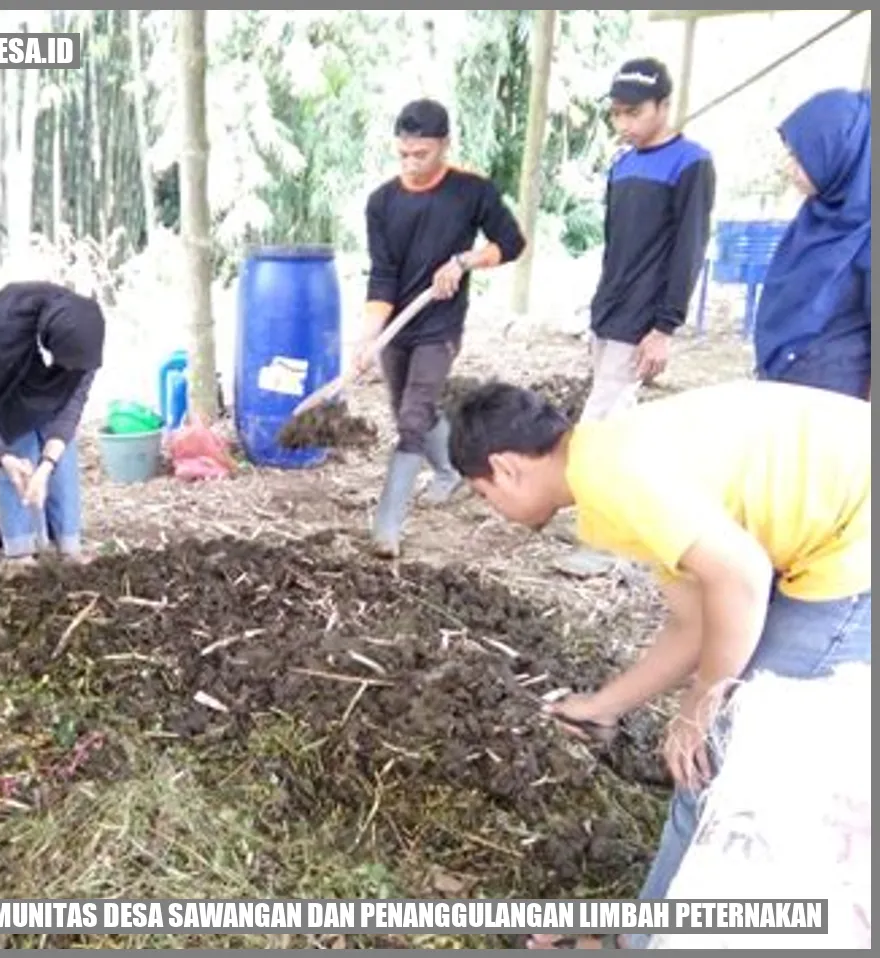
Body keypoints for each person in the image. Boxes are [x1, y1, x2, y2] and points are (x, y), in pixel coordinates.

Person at [446, 379, 871, 950]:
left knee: (721, 758)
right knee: (715, 753)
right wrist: (601, 707)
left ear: (506, 467)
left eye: (481, 494)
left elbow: (741, 576)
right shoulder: (606, 462)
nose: (490, 510)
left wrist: (700, 708)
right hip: (838, 528)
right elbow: (694, 622)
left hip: (854, 546)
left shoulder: (617, 474)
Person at [354, 98, 526, 557]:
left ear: (445, 145)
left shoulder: (472, 192)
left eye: (422, 154)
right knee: (408, 409)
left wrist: (465, 260)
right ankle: (451, 470)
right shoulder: (382, 203)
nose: (411, 164)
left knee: (411, 420)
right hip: (397, 328)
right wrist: (369, 336)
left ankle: (386, 528)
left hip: (440, 325)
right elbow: (383, 275)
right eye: (404, 154)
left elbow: (511, 242)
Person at [580, 57, 715, 422]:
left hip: (642, 313)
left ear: (664, 106)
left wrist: (664, 327)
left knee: (599, 419)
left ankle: (576, 480)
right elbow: (614, 245)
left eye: (634, 113)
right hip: (608, 308)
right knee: (615, 412)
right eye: (616, 114)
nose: (624, 124)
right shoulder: (622, 164)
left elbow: (690, 248)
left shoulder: (690, 162)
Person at [0, 281, 106, 563]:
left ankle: (68, 547)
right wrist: (0, 455)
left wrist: (48, 463)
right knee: (18, 474)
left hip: (55, 400)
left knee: (61, 475)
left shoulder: (85, 332)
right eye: (69, 365)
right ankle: (20, 552)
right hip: (10, 396)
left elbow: (75, 398)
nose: (76, 369)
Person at [753, 87, 871, 400]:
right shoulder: (818, 214)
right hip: (785, 377)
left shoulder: (865, 232)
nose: (788, 165)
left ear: (838, 153)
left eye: (799, 156)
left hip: (832, 399)